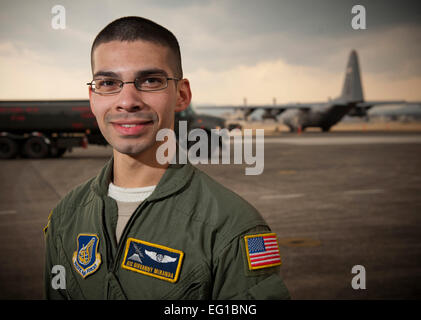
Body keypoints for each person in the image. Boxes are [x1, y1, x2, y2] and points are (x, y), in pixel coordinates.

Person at [44, 16, 290, 300]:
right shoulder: (65, 216)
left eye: (150, 80)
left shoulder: (233, 228)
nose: (127, 100)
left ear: (181, 95)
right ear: (92, 97)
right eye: (109, 82)